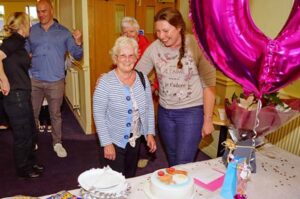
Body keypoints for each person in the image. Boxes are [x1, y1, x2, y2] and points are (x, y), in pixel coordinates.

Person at [136, 7, 216, 167]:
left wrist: (207, 119)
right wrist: (112, 78)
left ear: (179, 26)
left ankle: (180, 189)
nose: (161, 36)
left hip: (191, 113)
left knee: (183, 162)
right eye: (157, 31)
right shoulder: (154, 48)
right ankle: (176, 189)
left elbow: (209, 85)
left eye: (165, 31)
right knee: (172, 159)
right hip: (165, 113)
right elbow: (136, 74)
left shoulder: (197, 45)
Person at [25, 0, 83, 158]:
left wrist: (78, 42)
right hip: (34, 79)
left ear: (51, 11)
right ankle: (32, 141)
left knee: (55, 114)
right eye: (38, 11)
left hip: (55, 81)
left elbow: (77, 55)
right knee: (32, 113)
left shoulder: (64, 32)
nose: (41, 14)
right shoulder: (32, 31)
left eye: (44, 11)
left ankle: (57, 143)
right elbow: (25, 51)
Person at [93, 36, 156, 178]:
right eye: (122, 55)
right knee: (113, 182)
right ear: (116, 58)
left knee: (130, 178)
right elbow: (98, 114)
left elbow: (148, 108)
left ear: (136, 57)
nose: (127, 59)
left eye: (131, 55)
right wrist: (106, 143)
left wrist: (149, 133)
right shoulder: (105, 82)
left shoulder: (142, 78)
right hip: (113, 141)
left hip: (136, 140)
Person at [0, 12, 44, 178]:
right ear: (23, 26)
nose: (31, 27)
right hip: (15, 96)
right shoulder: (13, 40)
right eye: (29, 23)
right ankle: (23, 169)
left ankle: (31, 163)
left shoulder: (19, 42)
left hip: (22, 94)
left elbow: (11, 62)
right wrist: (3, 80)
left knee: (31, 132)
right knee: (22, 135)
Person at [120, 16, 155, 168]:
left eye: (132, 31)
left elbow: (155, 68)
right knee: (130, 120)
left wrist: (154, 87)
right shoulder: (121, 45)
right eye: (125, 32)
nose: (129, 35)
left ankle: (144, 154)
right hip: (128, 86)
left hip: (143, 86)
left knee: (143, 121)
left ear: (138, 32)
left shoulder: (146, 45)